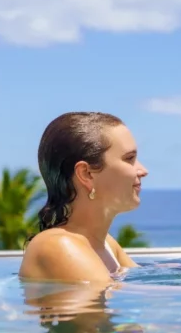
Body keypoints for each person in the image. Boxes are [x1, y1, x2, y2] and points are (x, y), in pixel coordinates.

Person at [19, 112, 148, 284]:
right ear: (86, 174)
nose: (143, 170)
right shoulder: (59, 245)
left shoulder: (105, 244)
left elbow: (147, 282)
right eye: (129, 159)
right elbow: (140, 292)